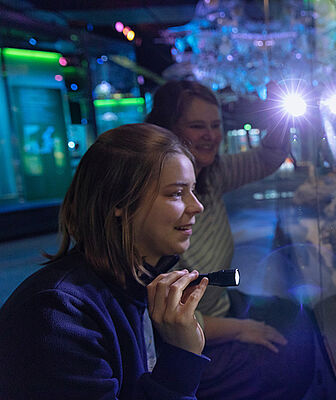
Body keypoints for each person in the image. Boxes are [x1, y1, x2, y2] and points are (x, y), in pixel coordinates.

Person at [0, 123, 211, 400]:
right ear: (119, 201)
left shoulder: (137, 286)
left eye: (193, 190)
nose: (197, 206)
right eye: (175, 193)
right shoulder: (59, 314)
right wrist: (181, 356)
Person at [146, 81, 321, 399]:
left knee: (299, 320)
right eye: (197, 126)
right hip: (189, 335)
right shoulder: (153, 207)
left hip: (223, 306)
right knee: (288, 359)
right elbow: (169, 316)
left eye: (216, 125)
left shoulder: (211, 174)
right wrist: (242, 330)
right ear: (167, 129)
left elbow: (267, 156)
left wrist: (279, 112)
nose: (211, 135)